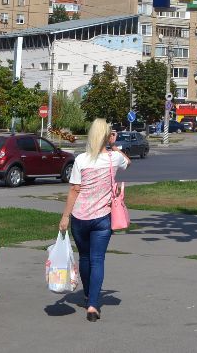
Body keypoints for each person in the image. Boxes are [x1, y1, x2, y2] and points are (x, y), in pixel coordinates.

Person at [59, 118, 128, 321]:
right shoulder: (113, 158)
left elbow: (74, 189)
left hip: (80, 217)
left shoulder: (81, 159)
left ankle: (88, 293)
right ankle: (93, 305)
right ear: (106, 136)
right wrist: (114, 144)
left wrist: (65, 216)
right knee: (98, 260)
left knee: (85, 258)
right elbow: (128, 162)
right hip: (102, 218)